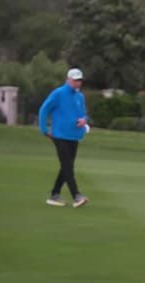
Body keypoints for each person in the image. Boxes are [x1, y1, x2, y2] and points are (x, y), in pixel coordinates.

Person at [39, 67, 90, 208]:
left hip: (74, 136)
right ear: (68, 79)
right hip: (60, 134)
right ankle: (76, 196)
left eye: (80, 80)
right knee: (68, 166)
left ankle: (55, 194)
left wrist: (84, 120)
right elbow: (44, 109)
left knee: (67, 166)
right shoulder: (58, 93)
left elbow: (84, 114)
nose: (78, 83)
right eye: (75, 80)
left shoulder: (80, 96)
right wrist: (44, 129)